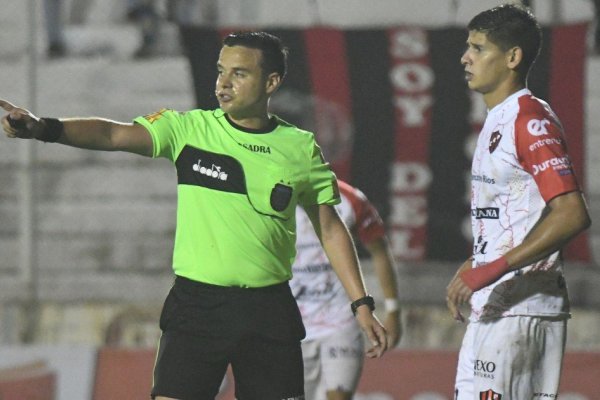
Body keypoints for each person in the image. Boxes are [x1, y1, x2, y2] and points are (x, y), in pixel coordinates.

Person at [0, 31, 388, 400]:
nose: (223, 83)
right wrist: (43, 127)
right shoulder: (188, 130)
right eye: (221, 71)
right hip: (197, 305)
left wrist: (361, 303)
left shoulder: (300, 148)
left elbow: (329, 227)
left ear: (271, 83)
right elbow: (112, 135)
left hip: (268, 309)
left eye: (239, 73)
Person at [446, 4, 591, 399]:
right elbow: (518, 214)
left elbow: (572, 213)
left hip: (522, 308)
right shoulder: (498, 119)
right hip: (495, 306)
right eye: (467, 46)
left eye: (478, 48)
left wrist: (493, 267)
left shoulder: (528, 119)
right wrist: (478, 260)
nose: (465, 57)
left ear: (512, 57)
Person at [291, 179, 402, 400]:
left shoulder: (349, 199)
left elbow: (379, 250)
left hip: (341, 320)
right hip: (292, 324)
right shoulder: (269, 199)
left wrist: (393, 311)